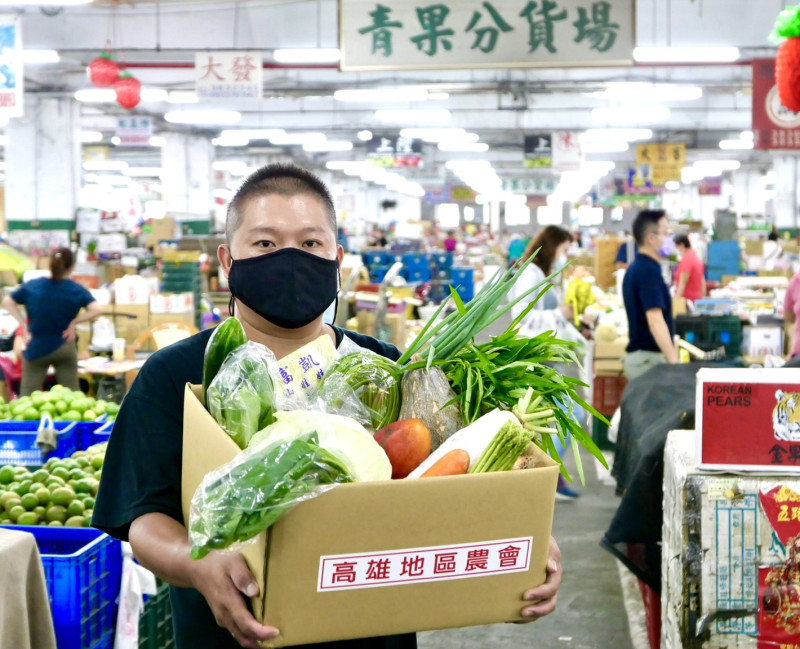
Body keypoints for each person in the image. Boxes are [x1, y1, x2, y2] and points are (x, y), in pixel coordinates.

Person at [92, 163, 563, 649]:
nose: (290, 259)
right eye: (266, 244)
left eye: (311, 244)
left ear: (337, 259)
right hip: (234, 633)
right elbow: (144, 514)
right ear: (227, 261)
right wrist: (196, 561)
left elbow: (451, 480)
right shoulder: (177, 374)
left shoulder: (387, 370)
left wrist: (520, 535)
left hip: (373, 627)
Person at [510, 225, 583, 500]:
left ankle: (551, 475)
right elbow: (522, 320)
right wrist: (559, 314)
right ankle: (547, 477)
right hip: (534, 362)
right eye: (565, 250)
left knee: (561, 417)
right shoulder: (531, 275)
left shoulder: (541, 275)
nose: (566, 256)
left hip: (546, 361)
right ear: (552, 248)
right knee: (570, 415)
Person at [1, 247, 102, 396]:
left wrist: (24, 325)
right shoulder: (75, 289)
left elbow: (8, 301)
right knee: (72, 396)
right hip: (65, 346)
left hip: (36, 346)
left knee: (28, 396)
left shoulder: (33, 286)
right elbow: (97, 309)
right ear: (71, 268)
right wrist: (74, 323)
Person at [622, 210, 679, 381]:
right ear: (651, 239)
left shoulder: (638, 267)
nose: (669, 238)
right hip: (648, 362)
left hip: (643, 359)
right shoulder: (647, 271)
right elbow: (655, 320)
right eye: (666, 233)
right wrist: (674, 361)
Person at [673, 234, 706, 302]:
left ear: (681, 245)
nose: (676, 249)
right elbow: (702, 280)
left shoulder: (687, 259)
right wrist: (703, 298)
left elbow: (682, 282)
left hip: (687, 301)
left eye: (676, 246)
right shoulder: (696, 257)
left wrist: (676, 301)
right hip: (696, 299)